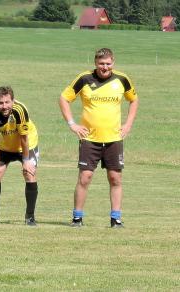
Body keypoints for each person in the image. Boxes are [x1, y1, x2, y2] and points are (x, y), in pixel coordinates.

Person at [58, 48, 139, 228]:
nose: (105, 67)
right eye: (101, 64)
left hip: (114, 139)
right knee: (85, 178)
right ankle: (77, 218)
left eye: (108, 64)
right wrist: (72, 124)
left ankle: (116, 219)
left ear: (113, 63)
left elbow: (134, 99)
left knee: (115, 178)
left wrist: (128, 124)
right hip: (90, 139)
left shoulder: (122, 79)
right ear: (95, 63)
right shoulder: (84, 79)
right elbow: (64, 98)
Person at [0, 86, 39, 226]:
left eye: (7, 102)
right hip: (6, 146)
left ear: (13, 101)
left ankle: (30, 218)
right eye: (0, 103)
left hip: (27, 145)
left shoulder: (20, 110)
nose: (4, 106)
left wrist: (26, 160)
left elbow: (24, 138)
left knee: (28, 173)